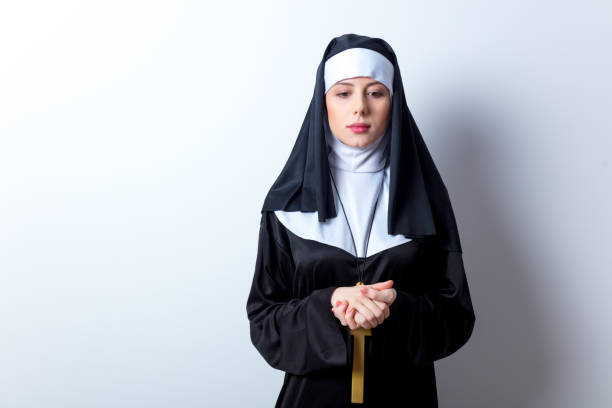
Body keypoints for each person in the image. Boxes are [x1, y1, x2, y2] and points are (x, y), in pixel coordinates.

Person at [246, 33, 476, 407]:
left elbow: (456, 317)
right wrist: (331, 303)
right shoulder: (286, 206)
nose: (359, 109)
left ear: (394, 102)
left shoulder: (428, 202)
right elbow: (264, 322)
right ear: (323, 103)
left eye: (375, 92)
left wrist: (393, 306)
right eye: (343, 93)